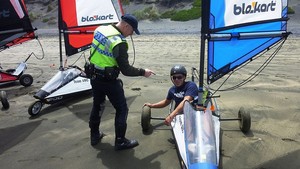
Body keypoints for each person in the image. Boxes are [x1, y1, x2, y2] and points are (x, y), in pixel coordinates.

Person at [88, 14, 155, 150]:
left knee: (98, 105)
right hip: (108, 80)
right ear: (126, 26)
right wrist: (143, 72)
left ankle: (94, 135)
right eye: (131, 31)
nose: (131, 35)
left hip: (94, 76)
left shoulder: (100, 29)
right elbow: (126, 70)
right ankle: (120, 141)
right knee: (122, 109)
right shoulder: (119, 42)